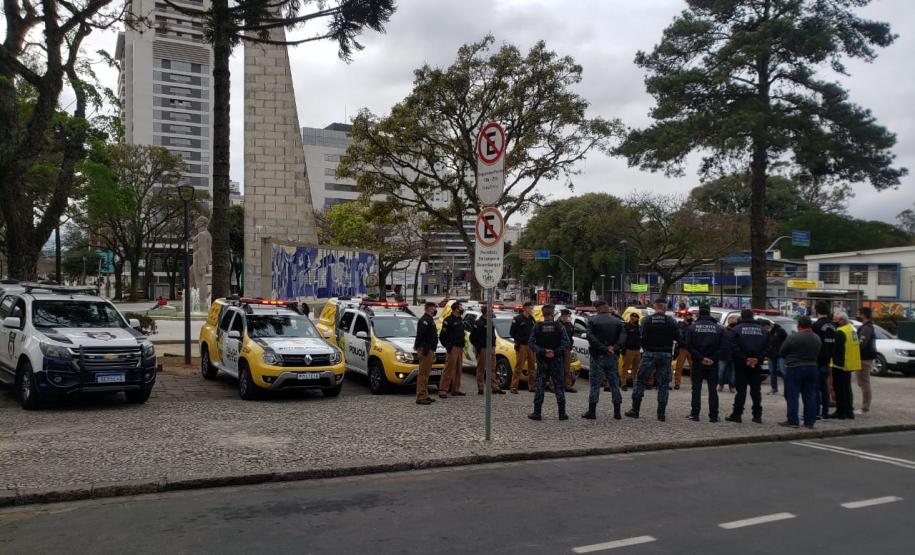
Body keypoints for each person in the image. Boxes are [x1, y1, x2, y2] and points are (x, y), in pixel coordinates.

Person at [626, 298, 679, 421]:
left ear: (655, 307)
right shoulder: (671, 321)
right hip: (665, 354)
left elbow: (640, 336)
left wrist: (645, 347)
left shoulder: (646, 320)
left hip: (649, 353)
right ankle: (661, 414)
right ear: (665, 308)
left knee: (640, 381)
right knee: (663, 384)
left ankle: (635, 410)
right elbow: (679, 338)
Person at [581, 300, 626, 420]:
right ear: (607, 308)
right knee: (615, 384)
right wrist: (614, 348)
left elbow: (590, 336)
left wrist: (603, 348)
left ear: (598, 308)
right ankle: (617, 412)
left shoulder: (592, 320)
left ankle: (592, 412)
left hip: (597, 356)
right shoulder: (617, 321)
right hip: (613, 356)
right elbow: (623, 337)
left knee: (595, 384)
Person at [528, 305, 571, 421]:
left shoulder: (537, 326)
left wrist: (543, 351)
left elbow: (531, 343)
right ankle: (562, 413)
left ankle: (537, 413)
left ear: (543, 314)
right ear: (552, 314)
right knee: (559, 386)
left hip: (542, 360)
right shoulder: (559, 326)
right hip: (556, 360)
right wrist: (555, 352)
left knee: (540, 385)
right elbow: (566, 343)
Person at [725, 309, 769, 424]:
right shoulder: (763, 330)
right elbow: (768, 347)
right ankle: (757, 415)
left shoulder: (736, 329)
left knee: (741, 390)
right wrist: (757, 358)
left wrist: (745, 358)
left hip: (741, 363)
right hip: (756, 363)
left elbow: (733, 346)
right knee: (756, 390)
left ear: (742, 317)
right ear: (753, 316)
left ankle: (737, 414)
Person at [778, 316, 821, 429]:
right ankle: (810, 422)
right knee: (810, 395)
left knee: (792, 395)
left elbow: (782, 352)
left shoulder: (793, 337)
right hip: (812, 367)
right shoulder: (817, 338)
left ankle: (793, 421)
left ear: (799, 326)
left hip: (795, 367)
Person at [685, 306, 724, 422]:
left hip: (698, 362)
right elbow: (723, 347)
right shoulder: (719, 328)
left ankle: (695, 414)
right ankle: (714, 416)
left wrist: (701, 358)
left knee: (696, 388)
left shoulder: (692, 327)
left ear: (699, 314)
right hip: (713, 363)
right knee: (713, 389)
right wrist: (712, 358)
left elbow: (688, 345)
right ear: (709, 313)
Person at [830, 310, 861, 420]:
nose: (834, 321)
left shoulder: (840, 332)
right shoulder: (851, 329)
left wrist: (835, 362)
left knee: (839, 389)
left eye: (835, 319)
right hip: (850, 363)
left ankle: (841, 412)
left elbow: (837, 350)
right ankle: (849, 411)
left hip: (840, 364)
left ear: (841, 320)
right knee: (847, 388)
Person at [470, 306, 505, 395]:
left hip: (491, 348)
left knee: (492, 368)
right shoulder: (478, 323)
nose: (492, 313)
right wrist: (478, 347)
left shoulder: (491, 322)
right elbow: (472, 337)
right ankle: (481, 388)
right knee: (481, 369)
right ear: (486, 313)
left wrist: (494, 344)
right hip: (482, 348)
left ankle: (495, 387)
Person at [812, 301, 837, 419]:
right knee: (825, 388)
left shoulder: (816, 325)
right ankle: (825, 413)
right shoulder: (834, 326)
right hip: (828, 360)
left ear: (817, 311)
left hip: (817, 360)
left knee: (816, 388)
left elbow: (814, 343)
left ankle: (816, 412)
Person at [438, 302, 467, 398]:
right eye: (460, 307)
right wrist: (447, 346)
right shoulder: (448, 320)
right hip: (453, 347)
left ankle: (456, 389)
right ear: (456, 309)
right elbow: (442, 336)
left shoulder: (460, 319)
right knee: (449, 369)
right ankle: (443, 390)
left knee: (458, 369)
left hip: (460, 347)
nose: (462, 308)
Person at [413, 302, 439, 405]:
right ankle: (420, 396)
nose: (435, 310)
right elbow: (420, 335)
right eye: (434, 308)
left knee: (426, 374)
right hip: (426, 349)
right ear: (429, 309)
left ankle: (425, 394)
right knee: (423, 374)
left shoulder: (430, 320)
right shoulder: (424, 320)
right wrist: (423, 348)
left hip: (430, 349)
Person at [509, 301, 536, 393]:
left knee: (532, 367)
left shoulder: (532, 319)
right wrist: (519, 340)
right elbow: (512, 332)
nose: (531, 310)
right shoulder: (518, 319)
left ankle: (532, 386)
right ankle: (514, 387)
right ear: (524, 308)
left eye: (532, 308)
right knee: (518, 367)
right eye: (529, 308)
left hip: (531, 346)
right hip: (522, 346)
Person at [856, 307, 876, 414]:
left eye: (859, 313)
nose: (858, 315)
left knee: (864, 383)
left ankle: (865, 408)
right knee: (862, 382)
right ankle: (865, 406)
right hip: (864, 358)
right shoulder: (866, 327)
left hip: (864, 359)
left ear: (863, 315)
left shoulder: (867, 328)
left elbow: (860, 344)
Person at [764, 320, 788, 395]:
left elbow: (786, 340)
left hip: (780, 355)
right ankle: (774, 388)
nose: (765, 329)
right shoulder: (767, 333)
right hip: (771, 355)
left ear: (769, 325)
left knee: (783, 372)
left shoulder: (780, 330)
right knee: (772, 372)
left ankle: (787, 389)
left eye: (766, 327)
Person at [619, 312, 641, 391]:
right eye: (632, 317)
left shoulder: (639, 327)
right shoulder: (626, 326)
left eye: (635, 317)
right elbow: (623, 338)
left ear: (637, 319)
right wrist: (622, 348)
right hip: (629, 350)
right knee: (625, 368)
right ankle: (623, 384)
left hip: (637, 350)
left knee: (636, 368)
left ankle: (635, 383)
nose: (633, 318)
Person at [558, 309, 578, 393]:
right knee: (557, 368)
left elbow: (571, 335)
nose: (568, 318)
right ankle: (554, 386)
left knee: (567, 368)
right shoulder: (557, 324)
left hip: (567, 349)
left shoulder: (569, 324)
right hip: (559, 349)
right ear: (563, 316)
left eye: (569, 316)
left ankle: (567, 385)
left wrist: (570, 346)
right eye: (567, 316)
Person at [672, 314, 694, 390]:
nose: (689, 318)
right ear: (684, 317)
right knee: (679, 366)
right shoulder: (680, 325)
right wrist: (681, 343)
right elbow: (678, 335)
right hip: (683, 348)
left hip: (691, 348)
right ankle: (677, 383)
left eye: (690, 316)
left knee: (693, 367)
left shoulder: (693, 325)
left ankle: (694, 383)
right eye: (688, 316)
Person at [718, 316, 738, 393]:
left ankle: (732, 386)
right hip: (723, 354)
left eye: (734, 320)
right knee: (721, 371)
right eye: (731, 320)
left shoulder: (737, 330)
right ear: (728, 321)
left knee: (733, 373)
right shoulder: (723, 330)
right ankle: (721, 384)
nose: (733, 321)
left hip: (734, 355)